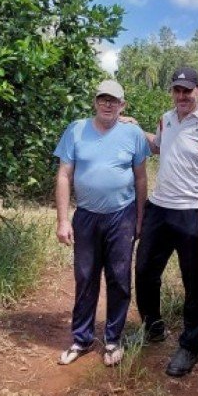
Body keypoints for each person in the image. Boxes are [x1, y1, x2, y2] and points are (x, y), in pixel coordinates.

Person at [134, 66, 198, 377]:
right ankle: (153, 328)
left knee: (193, 284)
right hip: (158, 209)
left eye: (187, 90)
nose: (182, 96)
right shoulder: (166, 118)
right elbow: (160, 146)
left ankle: (189, 346)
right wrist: (136, 128)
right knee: (145, 271)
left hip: (190, 213)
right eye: (177, 90)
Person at [54, 79, 150, 367]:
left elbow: (141, 177)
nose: (108, 104)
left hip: (122, 215)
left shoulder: (133, 133)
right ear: (95, 101)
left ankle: (112, 339)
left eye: (114, 100)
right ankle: (81, 339)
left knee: (119, 279)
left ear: (123, 105)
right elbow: (63, 175)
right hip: (85, 216)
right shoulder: (76, 130)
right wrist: (62, 220)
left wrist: (140, 219)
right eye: (102, 99)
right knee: (85, 278)